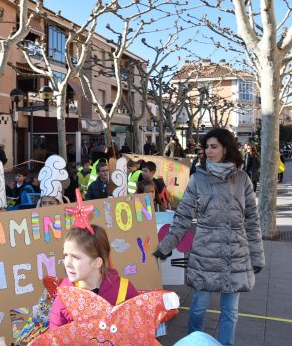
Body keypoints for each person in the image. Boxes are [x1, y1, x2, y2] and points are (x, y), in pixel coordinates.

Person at [154, 128, 265, 346]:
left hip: (235, 254)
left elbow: (252, 221)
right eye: (206, 147)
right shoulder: (198, 179)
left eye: (214, 146)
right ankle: (195, 342)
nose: (208, 151)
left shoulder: (242, 179)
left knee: (230, 311)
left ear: (226, 148)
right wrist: (166, 246)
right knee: (197, 307)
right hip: (205, 253)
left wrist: (257, 256)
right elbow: (183, 217)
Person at [49, 223, 138, 329]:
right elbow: (55, 338)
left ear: (97, 263)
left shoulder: (124, 290)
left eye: (75, 257)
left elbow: (139, 328)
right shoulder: (64, 296)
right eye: (65, 255)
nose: (67, 263)